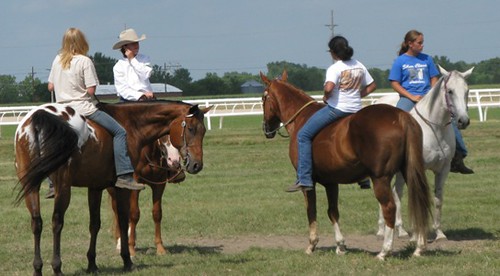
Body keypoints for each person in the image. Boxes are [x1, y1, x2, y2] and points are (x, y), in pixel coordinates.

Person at [48, 27, 145, 190]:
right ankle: (124, 175)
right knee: (120, 132)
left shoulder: (57, 60)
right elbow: (91, 90)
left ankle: (52, 182)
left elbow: (50, 86)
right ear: (82, 42)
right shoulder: (85, 61)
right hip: (83, 108)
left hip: (61, 109)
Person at [286, 36, 377, 192]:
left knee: (303, 135)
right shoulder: (359, 65)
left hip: (337, 109)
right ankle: (364, 178)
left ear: (333, 52)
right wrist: (357, 95)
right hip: (356, 109)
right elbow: (372, 85)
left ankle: (305, 178)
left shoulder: (335, 68)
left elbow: (329, 87)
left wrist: (326, 97)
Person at [388, 29, 473, 174]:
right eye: (419, 43)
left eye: (422, 43)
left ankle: (458, 157)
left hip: (427, 98)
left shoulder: (427, 59)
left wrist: (432, 94)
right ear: (410, 44)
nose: (422, 45)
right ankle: (395, 156)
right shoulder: (400, 61)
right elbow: (395, 83)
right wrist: (411, 96)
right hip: (408, 99)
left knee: (450, 120)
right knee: (398, 121)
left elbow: (434, 78)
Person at [112, 28, 155, 102]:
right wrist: (140, 96)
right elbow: (122, 89)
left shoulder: (144, 58)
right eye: (133, 43)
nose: (136, 46)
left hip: (148, 98)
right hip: (128, 101)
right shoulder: (118, 66)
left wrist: (132, 59)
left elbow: (146, 74)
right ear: (125, 47)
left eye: (137, 43)